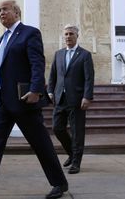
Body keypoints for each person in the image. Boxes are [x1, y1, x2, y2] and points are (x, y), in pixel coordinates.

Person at [0, 0, 68, 199]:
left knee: (41, 144)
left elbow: (37, 63)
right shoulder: (2, 39)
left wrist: (36, 90)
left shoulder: (29, 33)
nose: (1, 13)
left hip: (24, 101)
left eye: (5, 10)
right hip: (1, 103)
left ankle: (59, 183)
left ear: (17, 12)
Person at [47, 24, 94, 175]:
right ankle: (71, 153)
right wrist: (50, 91)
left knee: (77, 131)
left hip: (77, 99)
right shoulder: (58, 54)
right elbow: (53, 75)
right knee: (57, 128)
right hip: (60, 98)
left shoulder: (85, 55)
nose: (68, 37)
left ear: (77, 36)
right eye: (66, 34)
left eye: (71, 34)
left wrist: (87, 96)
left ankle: (76, 162)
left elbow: (89, 78)